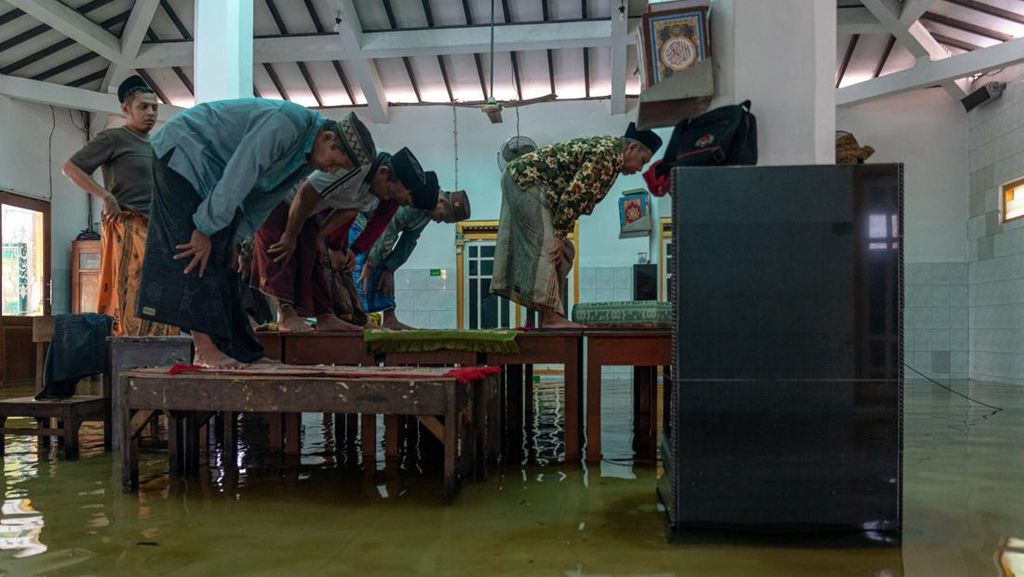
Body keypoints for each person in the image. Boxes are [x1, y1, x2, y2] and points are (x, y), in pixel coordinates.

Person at [136, 101, 375, 367]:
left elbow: (265, 197)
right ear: (328, 138)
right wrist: (204, 228)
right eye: (335, 162)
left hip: (213, 171)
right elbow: (241, 172)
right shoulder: (287, 124)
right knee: (194, 252)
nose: (331, 170)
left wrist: (236, 238)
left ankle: (243, 352)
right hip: (183, 151)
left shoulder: (309, 154)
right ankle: (204, 349)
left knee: (223, 258)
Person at [492, 122, 662, 328]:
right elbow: (574, 195)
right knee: (548, 248)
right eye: (643, 161)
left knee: (564, 252)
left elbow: (573, 197)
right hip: (527, 181)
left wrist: (562, 235)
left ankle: (544, 315)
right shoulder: (607, 156)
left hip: (521, 179)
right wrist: (559, 234)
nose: (640, 168)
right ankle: (550, 318)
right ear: (632, 148)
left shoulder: (609, 153)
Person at [251, 148, 437, 332]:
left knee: (314, 259)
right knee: (282, 251)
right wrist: (291, 235)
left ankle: (325, 317)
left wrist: (324, 239)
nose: (388, 198)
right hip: (279, 194)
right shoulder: (355, 165)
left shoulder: (376, 190)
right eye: (390, 192)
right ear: (382, 172)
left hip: (309, 208)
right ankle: (286, 315)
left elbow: (348, 211)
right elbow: (306, 192)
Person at [62, 75, 176, 337]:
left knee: (162, 294)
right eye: (143, 107)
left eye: (154, 108)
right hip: (128, 227)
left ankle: (163, 351)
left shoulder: (158, 145)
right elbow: (71, 168)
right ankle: (130, 351)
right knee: (131, 295)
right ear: (126, 109)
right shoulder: (114, 138)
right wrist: (105, 196)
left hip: (158, 230)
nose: (150, 113)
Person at [353, 175, 471, 329]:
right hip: (362, 222)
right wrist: (370, 265)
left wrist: (390, 268)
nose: (438, 221)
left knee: (385, 265)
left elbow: (408, 241)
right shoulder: (421, 197)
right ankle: (361, 317)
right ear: (441, 202)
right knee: (360, 264)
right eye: (442, 217)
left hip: (381, 231)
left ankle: (389, 318)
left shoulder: (428, 212)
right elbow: (388, 228)